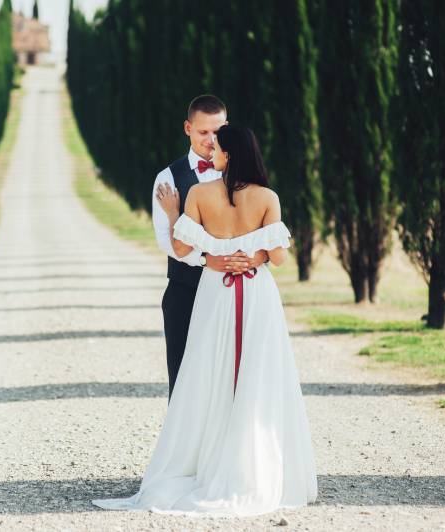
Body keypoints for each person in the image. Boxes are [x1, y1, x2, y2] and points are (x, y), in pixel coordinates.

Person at [93, 124, 317, 517]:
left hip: (216, 292)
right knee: (257, 372)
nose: (211, 151)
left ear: (229, 154)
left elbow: (181, 248)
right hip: (256, 293)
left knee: (211, 369)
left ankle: (206, 459)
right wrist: (254, 255)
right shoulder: (268, 197)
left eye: (217, 147)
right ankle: (253, 465)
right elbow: (280, 257)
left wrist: (174, 214)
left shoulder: (198, 194)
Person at [151, 95, 268, 400]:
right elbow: (165, 240)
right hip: (186, 289)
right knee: (183, 376)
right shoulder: (169, 177)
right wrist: (205, 260)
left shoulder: (247, 177)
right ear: (188, 128)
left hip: (233, 293)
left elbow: (265, 229)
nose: (211, 140)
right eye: (203, 132)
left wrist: (254, 258)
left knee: (232, 376)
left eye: (217, 132)